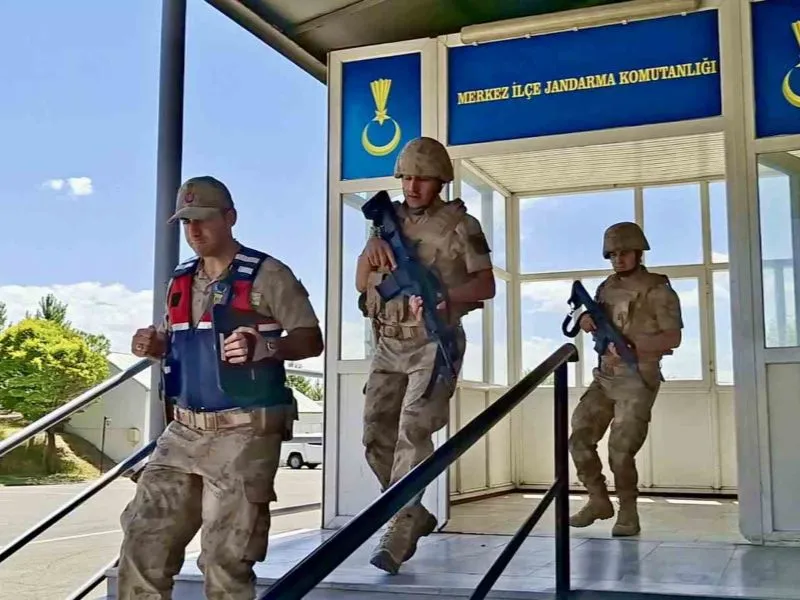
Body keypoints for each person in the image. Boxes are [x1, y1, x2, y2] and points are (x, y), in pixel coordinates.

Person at [117, 175, 324, 600]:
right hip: (182, 431)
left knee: (224, 559)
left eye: (203, 219)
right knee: (143, 540)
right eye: (186, 221)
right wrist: (155, 344)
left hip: (244, 431)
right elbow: (177, 340)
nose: (194, 230)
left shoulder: (268, 274)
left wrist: (266, 346)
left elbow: (311, 339)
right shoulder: (179, 280)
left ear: (230, 218)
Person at [356, 136, 496, 574]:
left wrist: (443, 296)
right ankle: (413, 512)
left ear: (441, 181)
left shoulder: (461, 225)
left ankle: (398, 531)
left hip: (433, 341)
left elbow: (486, 285)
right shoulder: (385, 223)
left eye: (423, 179)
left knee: (413, 432)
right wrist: (369, 252)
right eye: (407, 177)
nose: (413, 186)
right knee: (375, 437)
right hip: (388, 342)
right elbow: (363, 285)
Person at [568, 221, 682, 537]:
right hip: (605, 376)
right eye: (612, 254)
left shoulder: (657, 289)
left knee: (620, 449)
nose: (618, 259)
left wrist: (633, 346)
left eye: (624, 253)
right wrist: (585, 318)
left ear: (638, 253)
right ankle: (597, 500)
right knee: (579, 437)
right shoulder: (606, 288)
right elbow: (588, 315)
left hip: (638, 376)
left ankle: (628, 512)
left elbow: (673, 337)